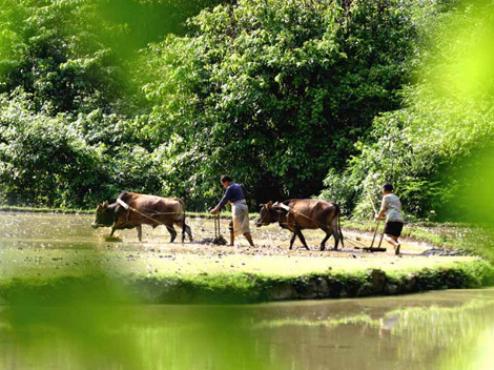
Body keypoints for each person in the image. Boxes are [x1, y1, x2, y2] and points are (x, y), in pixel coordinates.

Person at [210, 175, 255, 247]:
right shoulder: (238, 185)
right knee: (236, 225)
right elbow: (239, 196)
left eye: (223, 184)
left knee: (240, 227)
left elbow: (224, 200)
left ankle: (250, 245)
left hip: (238, 207)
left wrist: (216, 209)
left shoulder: (230, 188)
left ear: (226, 182)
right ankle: (234, 243)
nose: (224, 186)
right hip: (244, 206)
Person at [375, 183, 404, 255]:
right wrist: (381, 217)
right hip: (400, 219)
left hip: (392, 218)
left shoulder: (386, 197)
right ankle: (397, 252)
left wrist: (378, 216)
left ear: (384, 189)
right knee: (394, 238)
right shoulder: (397, 198)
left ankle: (396, 245)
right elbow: (393, 210)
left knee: (386, 236)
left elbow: (383, 209)